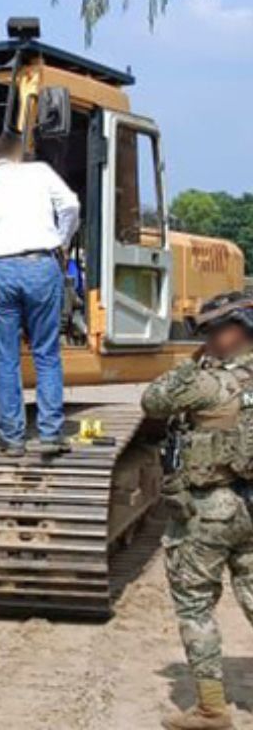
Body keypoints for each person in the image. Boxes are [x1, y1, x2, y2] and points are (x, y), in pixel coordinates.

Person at [142, 292, 253, 730]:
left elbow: (154, 400)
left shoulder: (209, 384)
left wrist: (192, 363)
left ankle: (211, 709)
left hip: (210, 510)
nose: (207, 340)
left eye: (213, 331)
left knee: (195, 607)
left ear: (239, 328)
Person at [0, 134, 81, 456]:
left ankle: (12, 438)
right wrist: (61, 240)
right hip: (40, 264)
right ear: (16, 154)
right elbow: (71, 205)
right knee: (46, 353)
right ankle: (50, 433)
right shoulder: (39, 173)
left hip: (0, 268)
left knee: (5, 357)